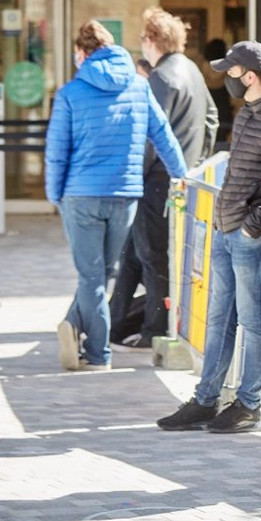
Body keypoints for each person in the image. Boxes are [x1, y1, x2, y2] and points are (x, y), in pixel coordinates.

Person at [155, 41, 261, 433]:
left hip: (249, 237)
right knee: (220, 319)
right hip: (227, 232)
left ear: (250, 76)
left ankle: (248, 403)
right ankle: (206, 398)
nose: (227, 79)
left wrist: (253, 224)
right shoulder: (245, 116)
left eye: (232, 73)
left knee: (254, 321)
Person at [46, 20, 187, 371]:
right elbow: (164, 136)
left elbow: (57, 152)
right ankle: (74, 325)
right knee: (103, 272)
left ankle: (97, 354)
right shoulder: (140, 87)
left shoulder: (70, 93)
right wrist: (181, 176)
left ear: (82, 53)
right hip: (124, 194)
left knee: (92, 276)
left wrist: (54, 194)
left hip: (81, 195)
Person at [109, 8, 219, 349]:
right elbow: (212, 118)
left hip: (155, 181)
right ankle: (111, 325)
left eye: (143, 38)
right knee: (133, 254)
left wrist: (132, 175)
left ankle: (155, 329)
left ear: (153, 40)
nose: (141, 45)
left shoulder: (161, 77)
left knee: (152, 256)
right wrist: (195, 161)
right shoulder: (192, 72)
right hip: (175, 177)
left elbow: (148, 136)